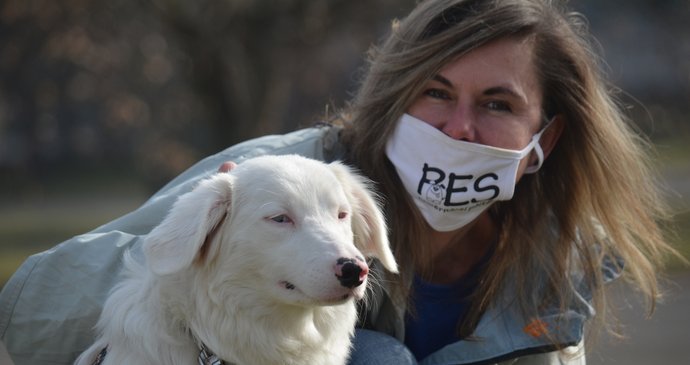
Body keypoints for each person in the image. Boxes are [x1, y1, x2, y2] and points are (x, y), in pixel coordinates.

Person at [0, 0, 680, 364]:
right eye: (434, 93)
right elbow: (33, 306)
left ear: (546, 140)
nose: (459, 128)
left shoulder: (556, 262)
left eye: (497, 104)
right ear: (393, 97)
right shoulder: (283, 175)